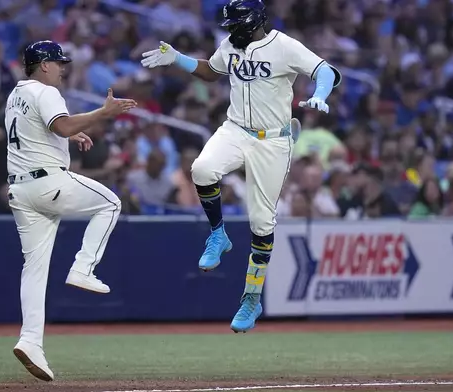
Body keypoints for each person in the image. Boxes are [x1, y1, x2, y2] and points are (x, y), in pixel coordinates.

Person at [141, 0, 340, 333]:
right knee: (202, 169)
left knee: (262, 222)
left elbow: (327, 71)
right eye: (230, 26)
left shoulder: (283, 45)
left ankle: (251, 297)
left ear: (255, 22)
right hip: (235, 128)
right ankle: (218, 236)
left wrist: (321, 93)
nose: (232, 31)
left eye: (237, 25)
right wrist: (177, 58)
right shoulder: (231, 44)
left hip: (273, 140)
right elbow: (211, 70)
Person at [5, 40, 136, 382]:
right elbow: (59, 125)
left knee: (33, 268)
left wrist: (69, 135)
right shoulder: (46, 92)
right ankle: (83, 268)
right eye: (58, 62)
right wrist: (101, 114)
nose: (63, 68)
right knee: (111, 203)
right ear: (44, 65)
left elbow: (45, 131)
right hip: (48, 184)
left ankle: (30, 341)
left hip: (20, 189)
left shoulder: (16, 94)